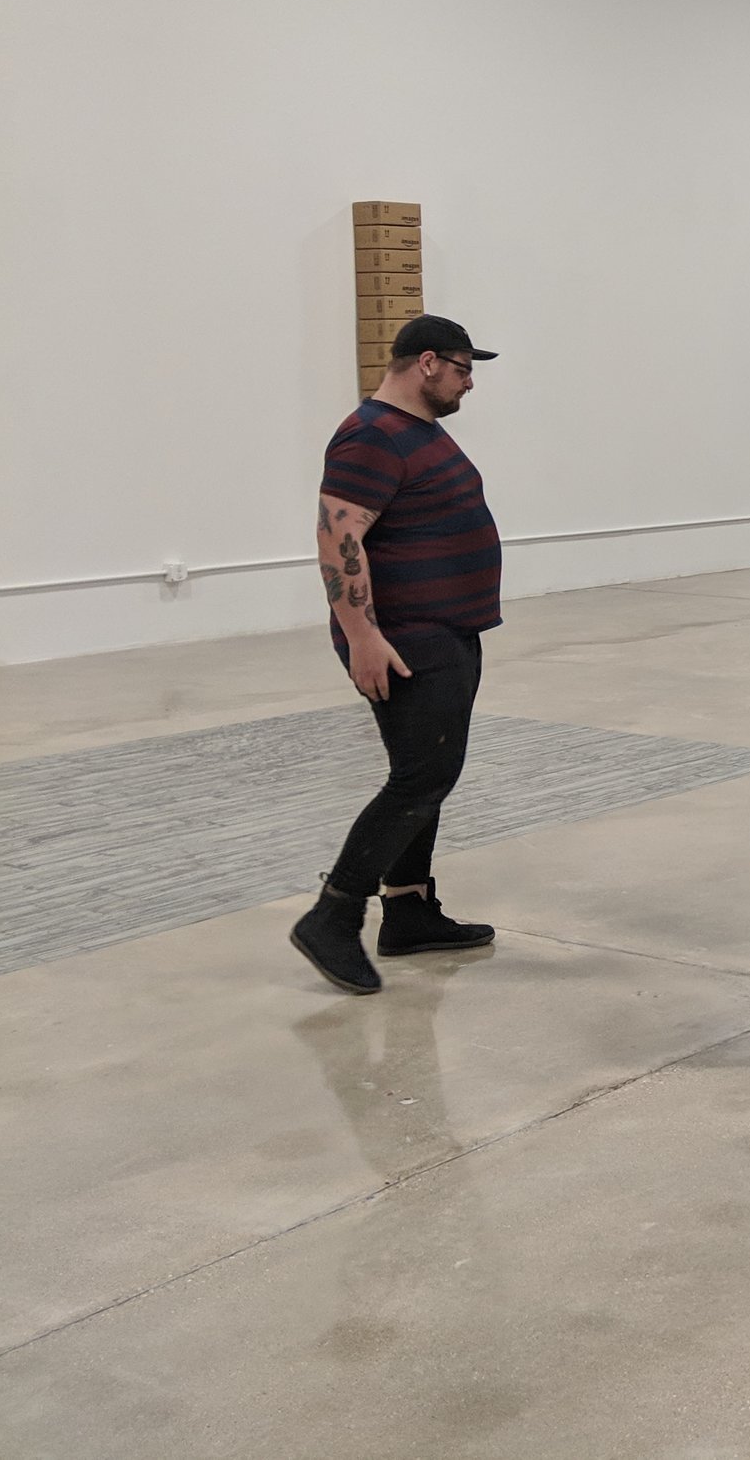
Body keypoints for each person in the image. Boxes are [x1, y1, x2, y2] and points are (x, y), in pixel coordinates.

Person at [289, 315, 503, 994]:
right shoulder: (371, 436)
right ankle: (333, 914)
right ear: (430, 362)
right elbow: (338, 537)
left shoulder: (414, 432)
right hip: (407, 637)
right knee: (421, 775)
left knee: (426, 773)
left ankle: (408, 908)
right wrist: (362, 636)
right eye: (466, 368)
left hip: (442, 630)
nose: (471, 382)